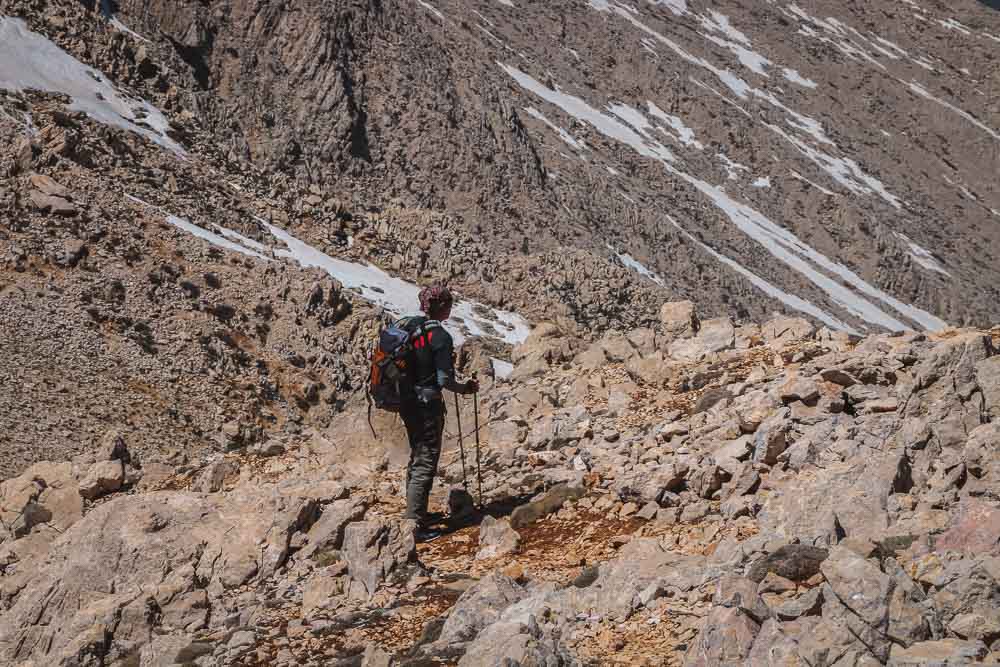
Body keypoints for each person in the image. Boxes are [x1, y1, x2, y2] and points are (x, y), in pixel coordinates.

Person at [395, 285, 478, 539]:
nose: (451, 308)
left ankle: (415, 511)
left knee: (417, 455)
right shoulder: (439, 336)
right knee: (426, 459)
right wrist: (465, 389)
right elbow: (444, 380)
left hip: (406, 402)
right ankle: (413, 524)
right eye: (449, 304)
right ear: (442, 307)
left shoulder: (407, 325)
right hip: (427, 405)